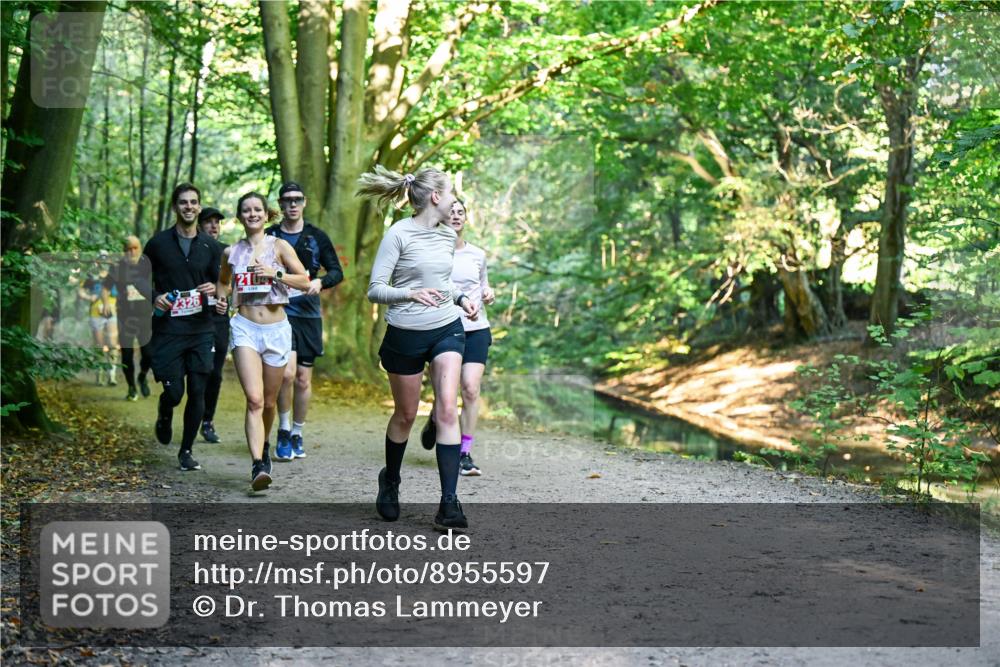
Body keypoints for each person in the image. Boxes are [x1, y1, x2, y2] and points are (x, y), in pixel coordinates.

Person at [357, 165, 480, 530]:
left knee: (446, 408)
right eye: (451, 194)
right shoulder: (398, 234)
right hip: (405, 332)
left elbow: (441, 282)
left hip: (446, 327)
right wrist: (409, 293)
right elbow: (375, 289)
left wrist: (459, 298)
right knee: (406, 415)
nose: (456, 202)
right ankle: (390, 480)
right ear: (436, 198)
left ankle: (449, 504)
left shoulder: (446, 236)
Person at [214, 192, 311, 492]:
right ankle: (258, 462)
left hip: (276, 329)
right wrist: (221, 298)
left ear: (265, 214)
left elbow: (305, 280)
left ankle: (265, 441)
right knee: (254, 399)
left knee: (269, 401)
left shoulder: (278, 246)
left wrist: (275, 272)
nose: (252, 214)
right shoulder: (231, 252)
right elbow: (223, 281)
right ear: (240, 216)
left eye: (257, 209)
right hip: (244, 327)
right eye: (246, 210)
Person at [143, 183, 222, 472]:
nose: (189, 207)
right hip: (168, 330)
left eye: (193, 202)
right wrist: (155, 297)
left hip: (201, 329)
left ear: (199, 207)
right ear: (176, 207)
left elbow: (222, 285)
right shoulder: (158, 244)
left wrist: (215, 287)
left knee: (198, 390)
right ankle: (165, 411)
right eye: (183, 202)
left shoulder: (211, 247)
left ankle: (186, 450)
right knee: (174, 392)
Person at [265, 182, 343, 461]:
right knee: (285, 374)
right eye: (287, 200)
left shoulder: (316, 237)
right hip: (279, 312)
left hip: (309, 314)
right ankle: (283, 430)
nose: (292, 205)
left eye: (297, 199)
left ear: (304, 202)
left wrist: (320, 282)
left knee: (302, 378)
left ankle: (298, 431)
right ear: (280, 204)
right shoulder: (270, 236)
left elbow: (337, 271)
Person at [420, 199, 496, 476]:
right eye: (450, 211)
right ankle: (436, 416)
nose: (455, 216)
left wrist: (489, 293)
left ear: (466, 218)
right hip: (442, 327)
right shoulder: (433, 252)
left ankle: (465, 453)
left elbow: (484, 285)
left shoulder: (477, 254)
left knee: (471, 389)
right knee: (446, 395)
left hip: (477, 328)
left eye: (460, 212)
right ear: (441, 216)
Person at [106, 236, 154, 401]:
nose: (132, 251)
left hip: (145, 316)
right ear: (124, 251)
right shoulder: (117, 267)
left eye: (135, 248)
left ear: (139, 249)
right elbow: (105, 288)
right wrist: (106, 303)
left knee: (148, 354)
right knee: (127, 355)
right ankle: (131, 387)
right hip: (125, 317)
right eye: (128, 249)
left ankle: (142, 376)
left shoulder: (147, 265)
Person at [198, 207, 229, 442]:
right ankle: (195, 414)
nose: (214, 226)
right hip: (193, 318)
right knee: (198, 371)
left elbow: (234, 285)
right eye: (208, 222)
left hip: (218, 319)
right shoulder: (191, 250)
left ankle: (207, 421)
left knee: (215, 373)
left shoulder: (226, 252)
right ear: (199, 225)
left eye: (217, 222)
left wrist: (224, 298)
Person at [80, 261, 118, 386]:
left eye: (106, 259)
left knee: (112, 344)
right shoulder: (91, 277)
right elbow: (80, 290)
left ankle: (112, 376)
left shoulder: (115, 275)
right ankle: (99, 375)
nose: (104, 263)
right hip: (96, 313)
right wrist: (87, 297)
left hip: (112, 312)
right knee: (99, 345)